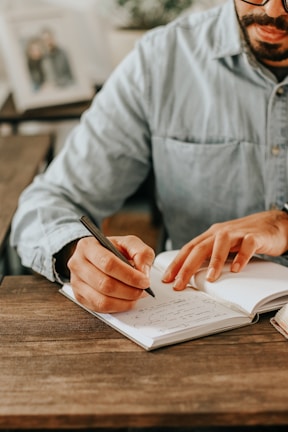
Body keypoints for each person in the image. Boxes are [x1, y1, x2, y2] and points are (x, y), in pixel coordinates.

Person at [11, 0, 288, 314]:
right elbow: (47, 201)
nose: (272, 12)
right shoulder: (162, 59)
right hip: (198, 323)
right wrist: (74, 251)